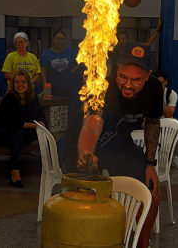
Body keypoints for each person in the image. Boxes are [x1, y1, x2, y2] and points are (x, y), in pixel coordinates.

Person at [63, 42, 162, 248]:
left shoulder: (154, 88)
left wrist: (150, 163)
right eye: (123, 77)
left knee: (151, 188)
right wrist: (86, 153)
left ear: (147, 75)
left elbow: (152, 122)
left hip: (119, 142)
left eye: (136, 80)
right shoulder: (103, 90)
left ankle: (142, 244)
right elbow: (91, 126)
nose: (128, 85)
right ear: (117, 68)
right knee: (85, 193)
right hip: (82, 141)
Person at [0, 70, 46, 188]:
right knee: (18, 132)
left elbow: (40, 115)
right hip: (3, 133)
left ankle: (50, 167)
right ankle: (14, 170)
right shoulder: (9, 98)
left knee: (23, 133)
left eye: (23, 82)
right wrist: (32, 126)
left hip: (22, 133)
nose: (20, 85)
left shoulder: (33, 97)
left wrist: (41, 122)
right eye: (17, 82)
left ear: (28, 83)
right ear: (13, 83)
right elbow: (10, 122)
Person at [151, 71, 178, 169]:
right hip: (151, 120)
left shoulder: (171, 94)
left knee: (175, 124)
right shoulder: (147, 92)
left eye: (161, 83)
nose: (158, 85)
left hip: (166, 121)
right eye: (156, 83)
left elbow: (169, 114)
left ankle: (175, 157)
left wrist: (159, 96)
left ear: (165, 83)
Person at [39, 30, 77, 99]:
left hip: (70, 89)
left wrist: (73, 71)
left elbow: (81, 64)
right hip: (53, 90)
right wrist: (45, 88)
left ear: (65, 41)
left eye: (62, 39)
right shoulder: (46, 54)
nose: (59, 41)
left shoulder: (72, 52)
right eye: (57, 38)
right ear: (53, 40)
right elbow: (43, 73)